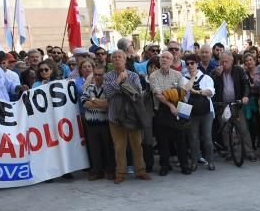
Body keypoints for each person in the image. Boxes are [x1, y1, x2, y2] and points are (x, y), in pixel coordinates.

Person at [102, 50, 151, 183]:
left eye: (120, 57)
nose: (117, 59)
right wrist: (119, 81)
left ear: (124, 60)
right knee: (119, 146)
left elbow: (137, 93)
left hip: (132, 115)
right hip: (115, 116)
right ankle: (120, 173)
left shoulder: (133, 75)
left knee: (137, 144)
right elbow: (107, 93)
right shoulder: (107, 76)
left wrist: (119, 89)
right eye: (115, 57)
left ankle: (140, 171)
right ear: (112, 61)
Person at [149, 50, 190, 175]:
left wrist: (172, 97)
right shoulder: (153, 76)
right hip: (162, 110)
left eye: (167, 58)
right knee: (163, 141)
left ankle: (184, 165)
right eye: (162, 57)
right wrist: (171, 104)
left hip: (178, 109)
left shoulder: (178, 75)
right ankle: (165, 166)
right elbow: (158, 95)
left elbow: (183, 92)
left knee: (181, 140)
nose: (164, 59)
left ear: (172, 61)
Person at [212, 51, 256, 162]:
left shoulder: (238, 70)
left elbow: (246, 84)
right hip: (223, 105)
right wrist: (217, 75)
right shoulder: (216, 72)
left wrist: (245, 96)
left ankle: (249, 152)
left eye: (226, 61)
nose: (223, 64)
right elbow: (210, 85)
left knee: (243, 128)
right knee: (225, 129)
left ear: (232, 61)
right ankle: (229, 151)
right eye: (221, 61)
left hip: (236, 103)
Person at [80, 65, 115, 181]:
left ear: (105, 75)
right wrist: (100, 103)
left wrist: (93, 100)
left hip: (105, 123)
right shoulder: (89, 87)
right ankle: (97, 171)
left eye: (100, 75)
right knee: (94, 149)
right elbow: (84, 102)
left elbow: (109, 104)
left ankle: (110, 170)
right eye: (95, 74)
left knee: (108, 148)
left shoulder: (109, 88)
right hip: (91, 124)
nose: (97, 77)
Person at [183, 54, 216, 170]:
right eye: (187, 64)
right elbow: (185, 90)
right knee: (193, 137)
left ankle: (210, 160)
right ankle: (194, 161)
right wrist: (192, 78)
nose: (190, 66)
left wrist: (198, 92)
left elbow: (211, 92)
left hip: (206, 111)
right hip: (191, 111)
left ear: (197, 64)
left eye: (192, 63)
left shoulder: (207, 78)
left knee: (207, 137)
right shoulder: (184, 78)